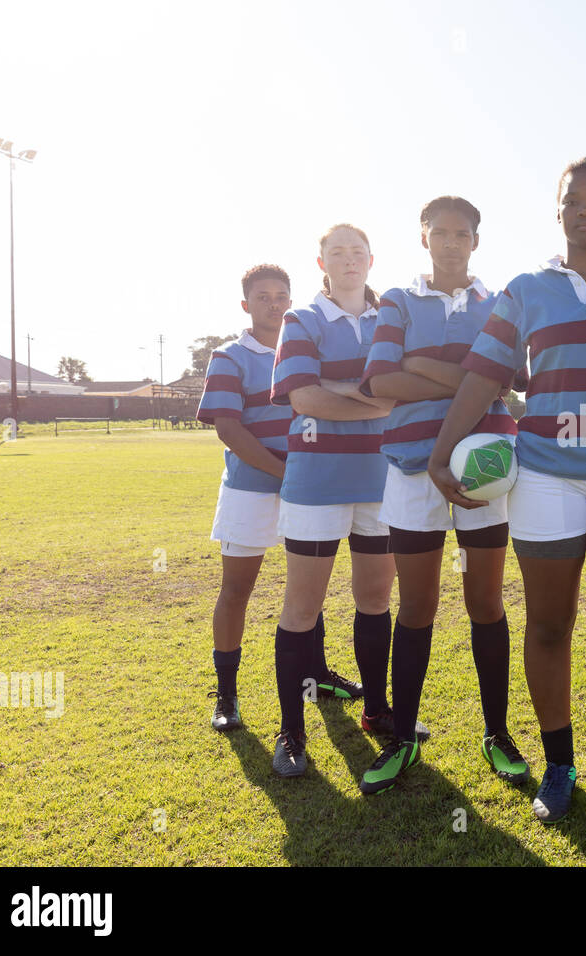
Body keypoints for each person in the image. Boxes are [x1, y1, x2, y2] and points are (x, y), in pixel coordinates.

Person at [427, 158, 586, 827]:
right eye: (573, 200)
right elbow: (485, 375)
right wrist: (440, 451)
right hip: (543, 470)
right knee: (548, 625)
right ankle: (559, 765)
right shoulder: (525, 289)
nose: (585, 210)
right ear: (559, 212)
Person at [356, 196, 530, 793]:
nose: (452, 242)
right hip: (411, 466)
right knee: (418, 607)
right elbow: (382, 379)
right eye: (441, 233)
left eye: (463, 234)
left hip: (483, 465)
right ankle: (403, 737)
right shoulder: (397, 301)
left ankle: (497, 734)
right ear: (423, 237)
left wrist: (424, 363)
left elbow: (510, 377)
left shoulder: (500, 301)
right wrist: (470, 377)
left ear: (476, 242)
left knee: (486, 603)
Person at [266, 223, 402, 778]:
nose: (348, 260)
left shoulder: (394, 316)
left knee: (375, 600)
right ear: (320, 262)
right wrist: (375, 402)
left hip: (382, 480)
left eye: (356, 251)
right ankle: (292, 731)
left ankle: (375, 708)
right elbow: (304, 396)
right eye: (336, 252)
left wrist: (341, 393)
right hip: (317, 481)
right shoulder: (301, 320)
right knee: (302, 609)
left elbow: (408, 386)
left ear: (372, 259)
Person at [196, 264, 294, 732]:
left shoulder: (304, 351)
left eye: (280, 295)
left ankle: (313, 674)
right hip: (251, 490)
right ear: (246, 304)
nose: (273, 304)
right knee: (237, 591)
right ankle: (227, 696)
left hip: (305, 492)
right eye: (263, 296)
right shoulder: (229, 355)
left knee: (305, 592)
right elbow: (228, 428)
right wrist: (284, 472)